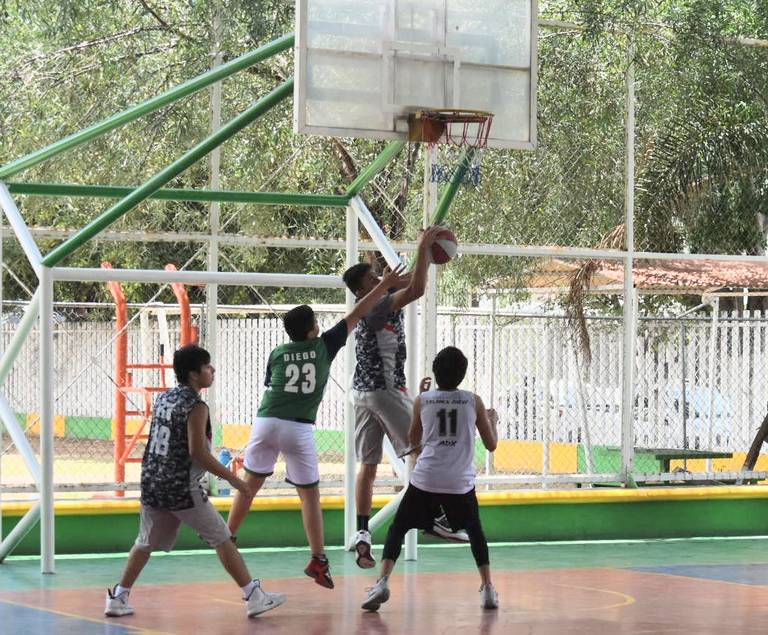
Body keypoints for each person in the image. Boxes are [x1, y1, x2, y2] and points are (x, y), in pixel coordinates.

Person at [226, 265, 408, 589]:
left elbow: (272, 384)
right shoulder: (325, 345)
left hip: (266, 421)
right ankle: (319, 559)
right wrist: (386, 286)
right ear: (312, 330)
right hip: (298, 429)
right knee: (309, 496)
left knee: (248, 485)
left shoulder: (278, 352)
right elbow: (359, 310)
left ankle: (228, 536)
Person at [105, 345, 286, 619]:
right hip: (181, 487)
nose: (212, 370)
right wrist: (236, 481)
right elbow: (198, 452)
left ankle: (118, 597)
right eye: (207, 366)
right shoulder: (196, 406)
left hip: (153, 481)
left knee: (144, 543)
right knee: (222, 537)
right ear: (193, 374)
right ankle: (254, 595)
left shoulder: (164, 399)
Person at [343, 227, 468, 570]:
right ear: (361, 290)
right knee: (423, 446)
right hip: (385, 391)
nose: (381, 278)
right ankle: (436, 516)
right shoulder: (377, 306)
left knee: (368, 466)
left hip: (363, 394)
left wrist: (428, 256)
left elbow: (411, 278)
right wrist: (424, 246)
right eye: (373, 278)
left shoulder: (373, 302)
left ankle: (363, 532)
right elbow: (417, 287)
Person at [360, 346, 499, 612]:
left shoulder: (423, 401)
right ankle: (488, 588)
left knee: (398, 528)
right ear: (462, 374)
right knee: (476, 532)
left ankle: (382, 582)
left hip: (426, 479)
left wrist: (423, 400)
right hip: (460, 483)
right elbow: (491, 445)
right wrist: (493, 421)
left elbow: (413, 439)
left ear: (435, 372)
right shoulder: (474, 401)